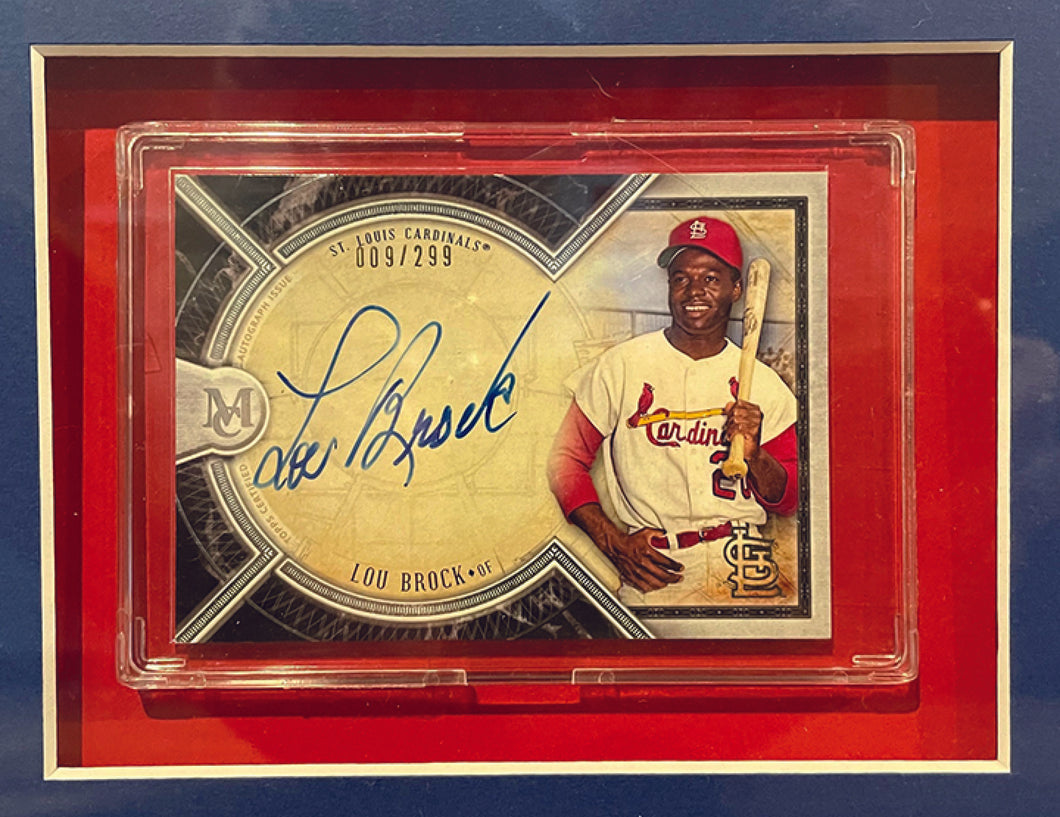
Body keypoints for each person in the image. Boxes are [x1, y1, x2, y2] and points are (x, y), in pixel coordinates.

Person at [547, 216, 798, 606]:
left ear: (736, 289)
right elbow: (563, 462)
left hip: (743, 563)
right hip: (657, 570)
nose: (694, 290)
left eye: (711, 278)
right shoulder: (622, 365)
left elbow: (788, 497)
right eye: (681, 278)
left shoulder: (765, 385)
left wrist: (755, 455)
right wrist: (611, 541)